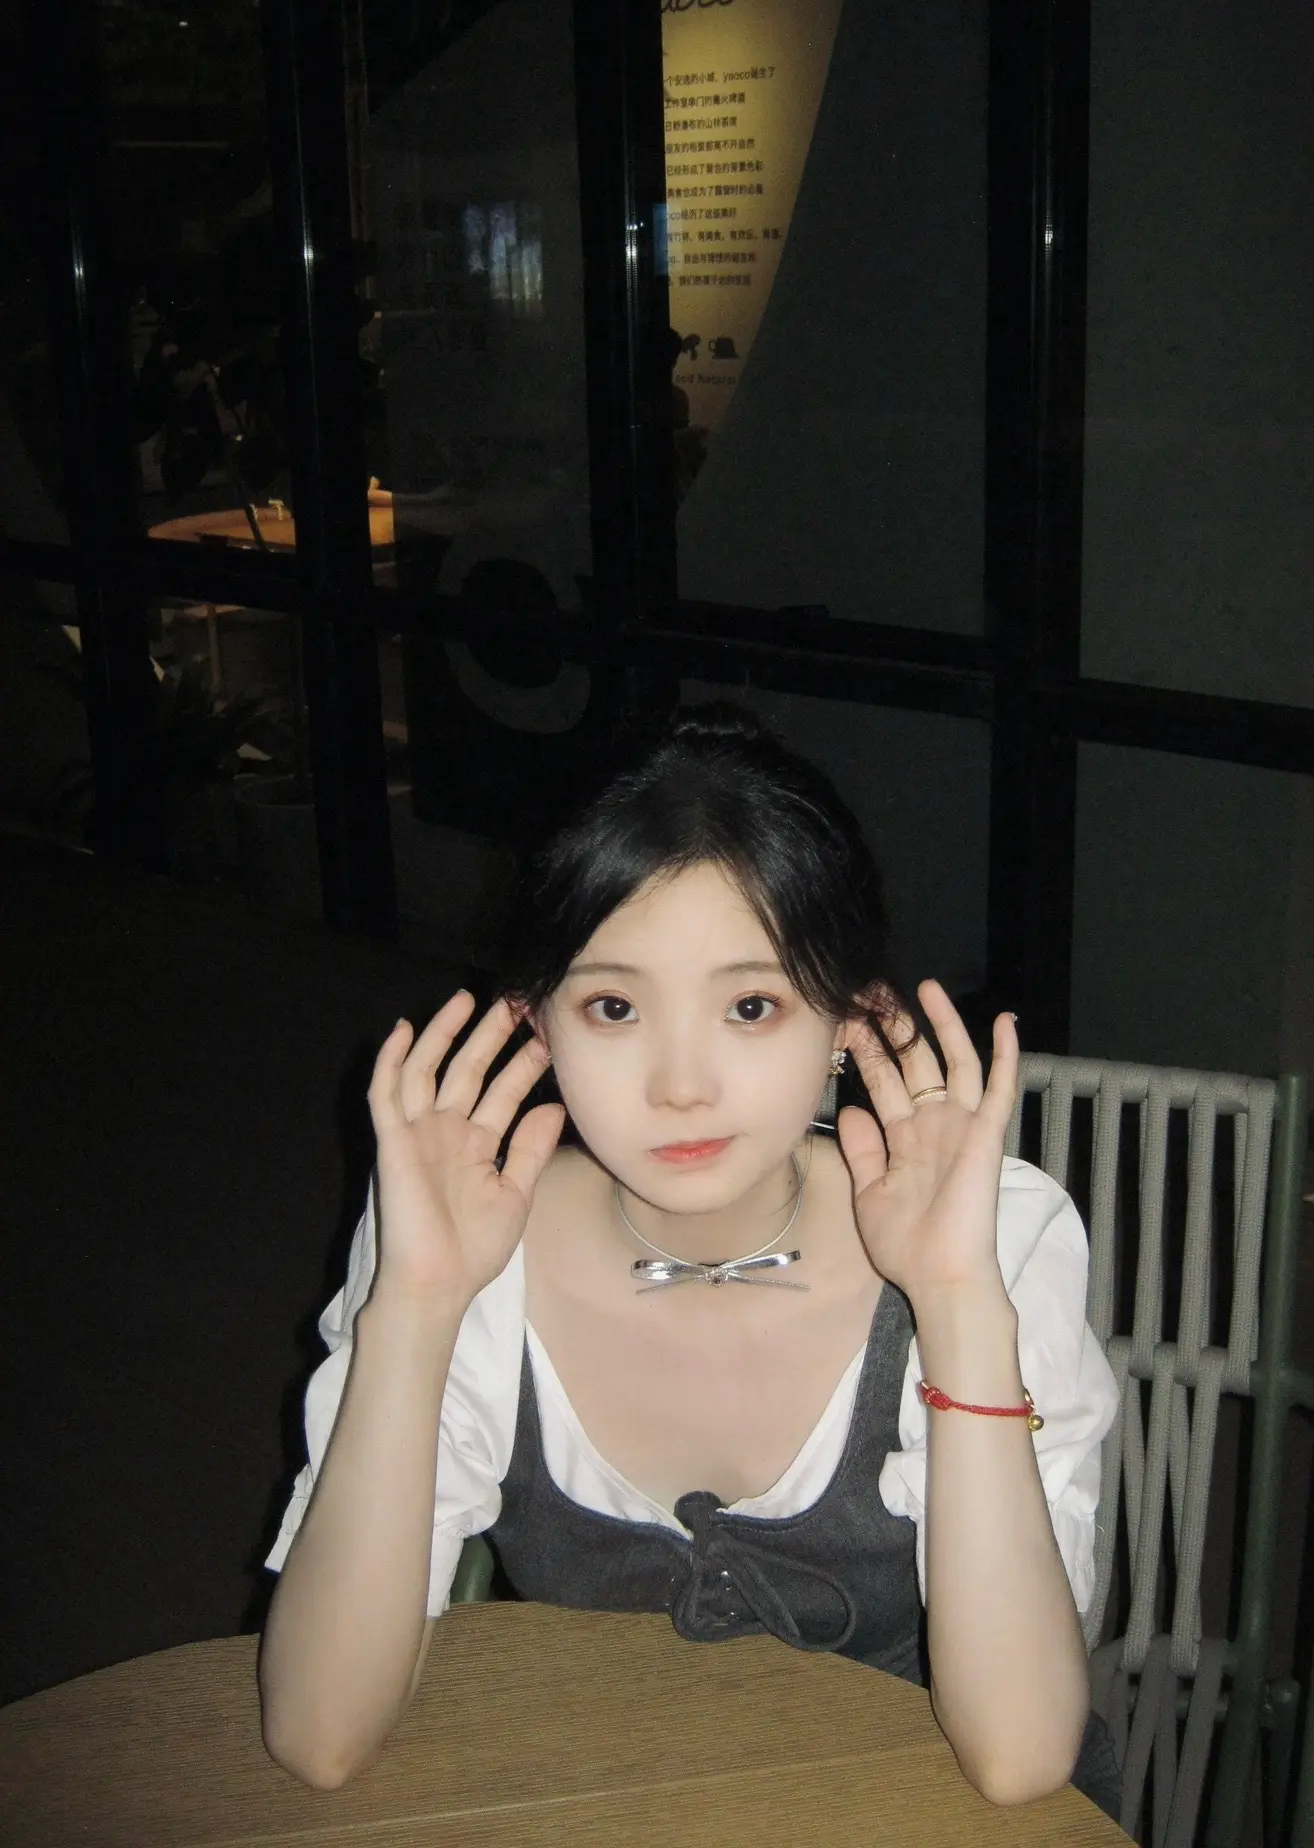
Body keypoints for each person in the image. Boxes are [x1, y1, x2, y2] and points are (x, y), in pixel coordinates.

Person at [259, 704, 1122, 1814]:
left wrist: (956, 1303)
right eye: (613, 1006)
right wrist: (416, 1309)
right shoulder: (460, 1236)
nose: (679, 1085)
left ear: (851, 1020)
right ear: (535, 1025)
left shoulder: (990, 1235)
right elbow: (319, 1734)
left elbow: (1019, 1756)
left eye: (751, 1005)